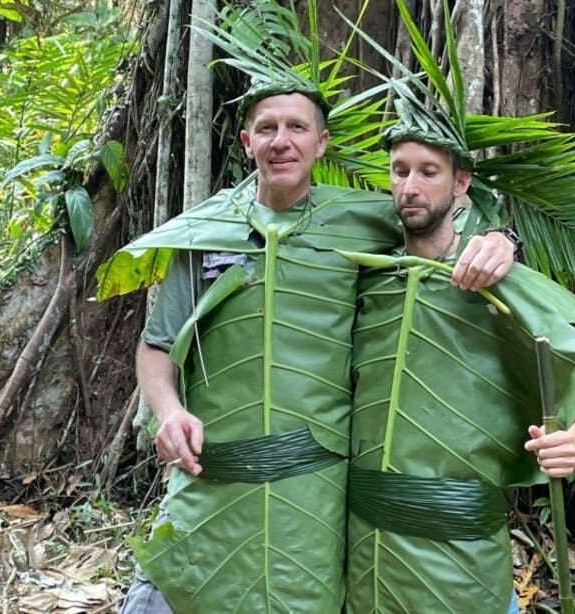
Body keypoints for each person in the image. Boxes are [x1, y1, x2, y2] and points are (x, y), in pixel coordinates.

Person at [114, 82, 518, 613]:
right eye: (267, 128)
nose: (282, 141)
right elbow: (157, 346)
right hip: (209, 478)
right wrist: (167, 412)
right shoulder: (207, 231)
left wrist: (505, 240)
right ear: (246, 142)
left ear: (322, 143)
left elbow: (443, 224)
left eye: (297, 128)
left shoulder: (367, 221)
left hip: (312, 496)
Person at [343, 111, 575, 613]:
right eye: (399, 170)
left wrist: (574, 444)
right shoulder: (366, 279)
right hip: (366, 550)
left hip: (464, 553)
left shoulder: (500, 288)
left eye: (428, 172)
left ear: (461, 182)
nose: (410, 186)